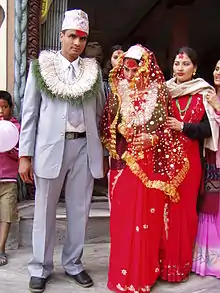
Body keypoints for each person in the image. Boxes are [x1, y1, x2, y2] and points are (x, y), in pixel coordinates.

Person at [18, 9, 107, 293]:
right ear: (61, 37)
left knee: (79, 210)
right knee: (43, 210)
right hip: (49, 147)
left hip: (84, 146)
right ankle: (40, 267)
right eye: (72, 36)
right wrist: (24, 155)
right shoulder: (41, 67)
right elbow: (30, 114)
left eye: (82, 37)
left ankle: (73, 263)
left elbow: (101, 113)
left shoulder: (92, 71)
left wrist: (103, 150)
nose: (77, 42)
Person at [100, 44, 190, 292]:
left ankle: (145, 275)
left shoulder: (158, 92)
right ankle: (123, 276)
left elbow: (166, 129)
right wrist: (121, 129)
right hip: (126, 163)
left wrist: (153, 139)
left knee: (148, 218)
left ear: (145, 68)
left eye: (133, 70)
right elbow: (107, 122)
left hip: (151, 164)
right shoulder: (119, 91)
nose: (128, 75)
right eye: (125, 70)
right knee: (124, 219)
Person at [164, 47, 219, 282]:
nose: (180, 68)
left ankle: (182, 265)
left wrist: (183, 127)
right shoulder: (164, 92)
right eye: (177, 63)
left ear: (194, 68)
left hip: (190, 163)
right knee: (164, 215)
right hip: (164, 163)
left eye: (185, 64)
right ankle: (164, 265)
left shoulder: (203, 93)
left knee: (186, 213)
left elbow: (209, 129)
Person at [192, 59, 220, 278]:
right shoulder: (205, 95)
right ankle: (209, 262)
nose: (218, 73)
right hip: (211, 159)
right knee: (210, 204)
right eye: (218, 68)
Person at [0, 90, 20, 266]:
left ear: (11, 108)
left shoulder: (16, 127)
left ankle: (1, 248)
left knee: (6, 215)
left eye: (4, 107)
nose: (1, 111)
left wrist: (10, 148)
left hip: (9, 181)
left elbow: (22, 153)